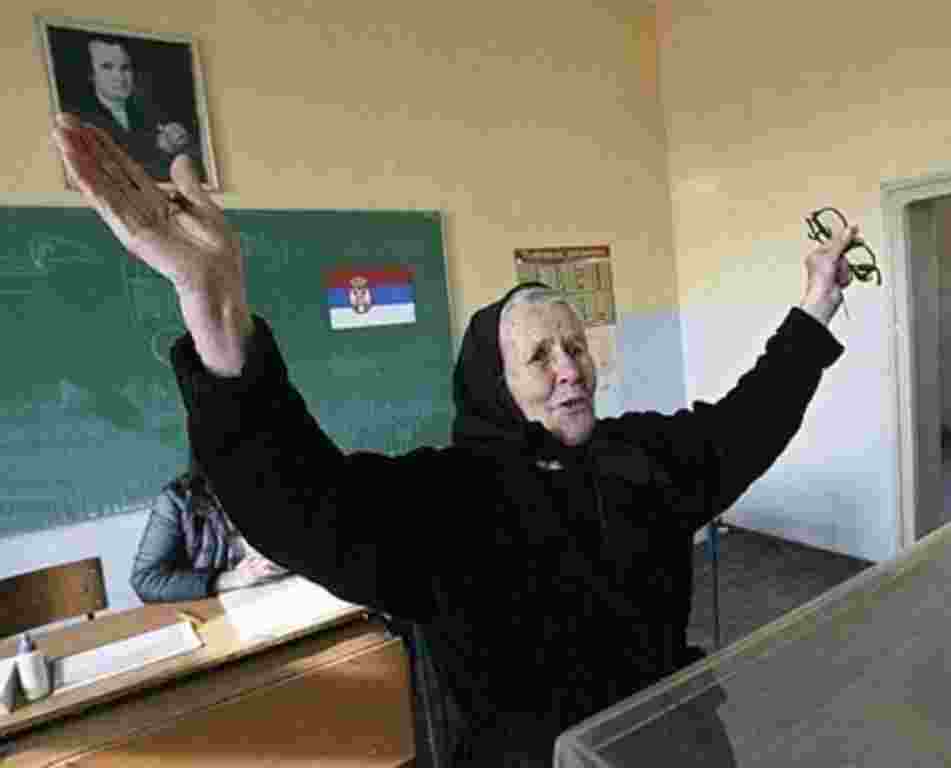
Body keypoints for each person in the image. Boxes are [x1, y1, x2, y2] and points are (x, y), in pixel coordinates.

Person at [50, 112, 857, 766]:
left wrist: (817, 304)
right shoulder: (451, 498)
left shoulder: (646, 455)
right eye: (537, 356)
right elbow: (301, 506)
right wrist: (217, 313)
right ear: (494, 386)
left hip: (668, 748)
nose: (569, 368)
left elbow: (755, 414)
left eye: (574, 345)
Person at [130, 445, 290, 603]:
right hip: (216, 614)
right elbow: (145, 581)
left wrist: (295, 559)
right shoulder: (177, 501)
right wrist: (233, 579)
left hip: (285, 599)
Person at [70, 36, 201, 182]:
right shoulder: (80, 119)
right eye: (107, 67)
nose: (119, 77)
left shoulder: (151, 111)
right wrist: (161, 149)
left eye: (125, 68)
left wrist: (180, 141)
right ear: (91, 75)